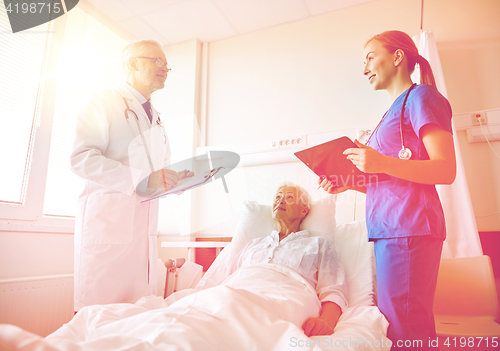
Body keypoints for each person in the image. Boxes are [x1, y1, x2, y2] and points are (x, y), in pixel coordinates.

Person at [319, 30, 456, 349]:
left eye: (370, 57)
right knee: (398, 324)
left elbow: (445, 169)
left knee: (407, 328)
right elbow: (388, 182)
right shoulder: (388, 117)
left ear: (397, 57)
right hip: (390, 229)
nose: (364, 67)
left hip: (409, 227)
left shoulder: (422, 97)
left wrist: (380, 163)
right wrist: (348, 183)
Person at [70, 39, 191, 312]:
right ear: (133, 64)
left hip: (143, 233)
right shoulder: (102, 100)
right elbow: (81, 158)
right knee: (97, 318)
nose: (165, 68)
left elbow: (161, 173)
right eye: (157, 61)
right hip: (108, 229)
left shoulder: (156, 119)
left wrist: (179, 180)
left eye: (166, 63)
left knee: (136, 321)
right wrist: (144, 179)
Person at [224, 183, 348, 337]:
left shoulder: (319, 245)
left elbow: (333, 290)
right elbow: (228, 279)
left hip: (285, 298)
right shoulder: (253, 244)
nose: (280, 200)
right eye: (278, 197)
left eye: (289, 197)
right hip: (235, 294)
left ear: (304, 210)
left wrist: (327, 322)